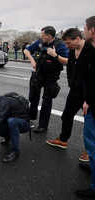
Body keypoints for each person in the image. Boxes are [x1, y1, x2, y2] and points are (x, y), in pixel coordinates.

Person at [46, 28, 93, 150]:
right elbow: (70, 67)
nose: (67, 46)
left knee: (90, 124)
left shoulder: (90, 50)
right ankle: (63, 140)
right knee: (66, 116)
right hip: (74, 91)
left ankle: (88, 151)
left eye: (68, 43)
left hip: (88, 92)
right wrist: (71, 81)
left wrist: (88, 98)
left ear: (77, 38)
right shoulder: (72, 51)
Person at [24, 26, 68, 133]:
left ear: (49, 36)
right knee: (33, 97)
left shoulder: (60, 46)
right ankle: (31, 117)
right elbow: (26, 50)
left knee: (46, 101)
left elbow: (67, 61)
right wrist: (32, 61)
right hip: (38, 74)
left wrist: (55, 55)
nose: (41, 37)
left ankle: (43, 125)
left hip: (51, 76)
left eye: (42, 35)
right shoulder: (39, 43)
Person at [75, 15, 95, 199]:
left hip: (93, 105)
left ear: (92, 30)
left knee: (92, 143)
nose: (83, 31)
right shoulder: (91, 49)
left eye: (85, 28)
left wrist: (88, 100)